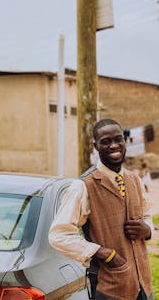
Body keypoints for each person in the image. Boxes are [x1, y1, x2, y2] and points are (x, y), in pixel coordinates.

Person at [49, 118, 153, 300]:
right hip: (110, 288)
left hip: (144, 286)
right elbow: (58, 235)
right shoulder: (83, 186)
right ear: (96, 146)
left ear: (124, 141)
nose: (114, 145)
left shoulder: (134, 179)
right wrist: (102, 253)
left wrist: (147, 229)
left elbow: (147, 215)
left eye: (118, 139)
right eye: (106, 141)